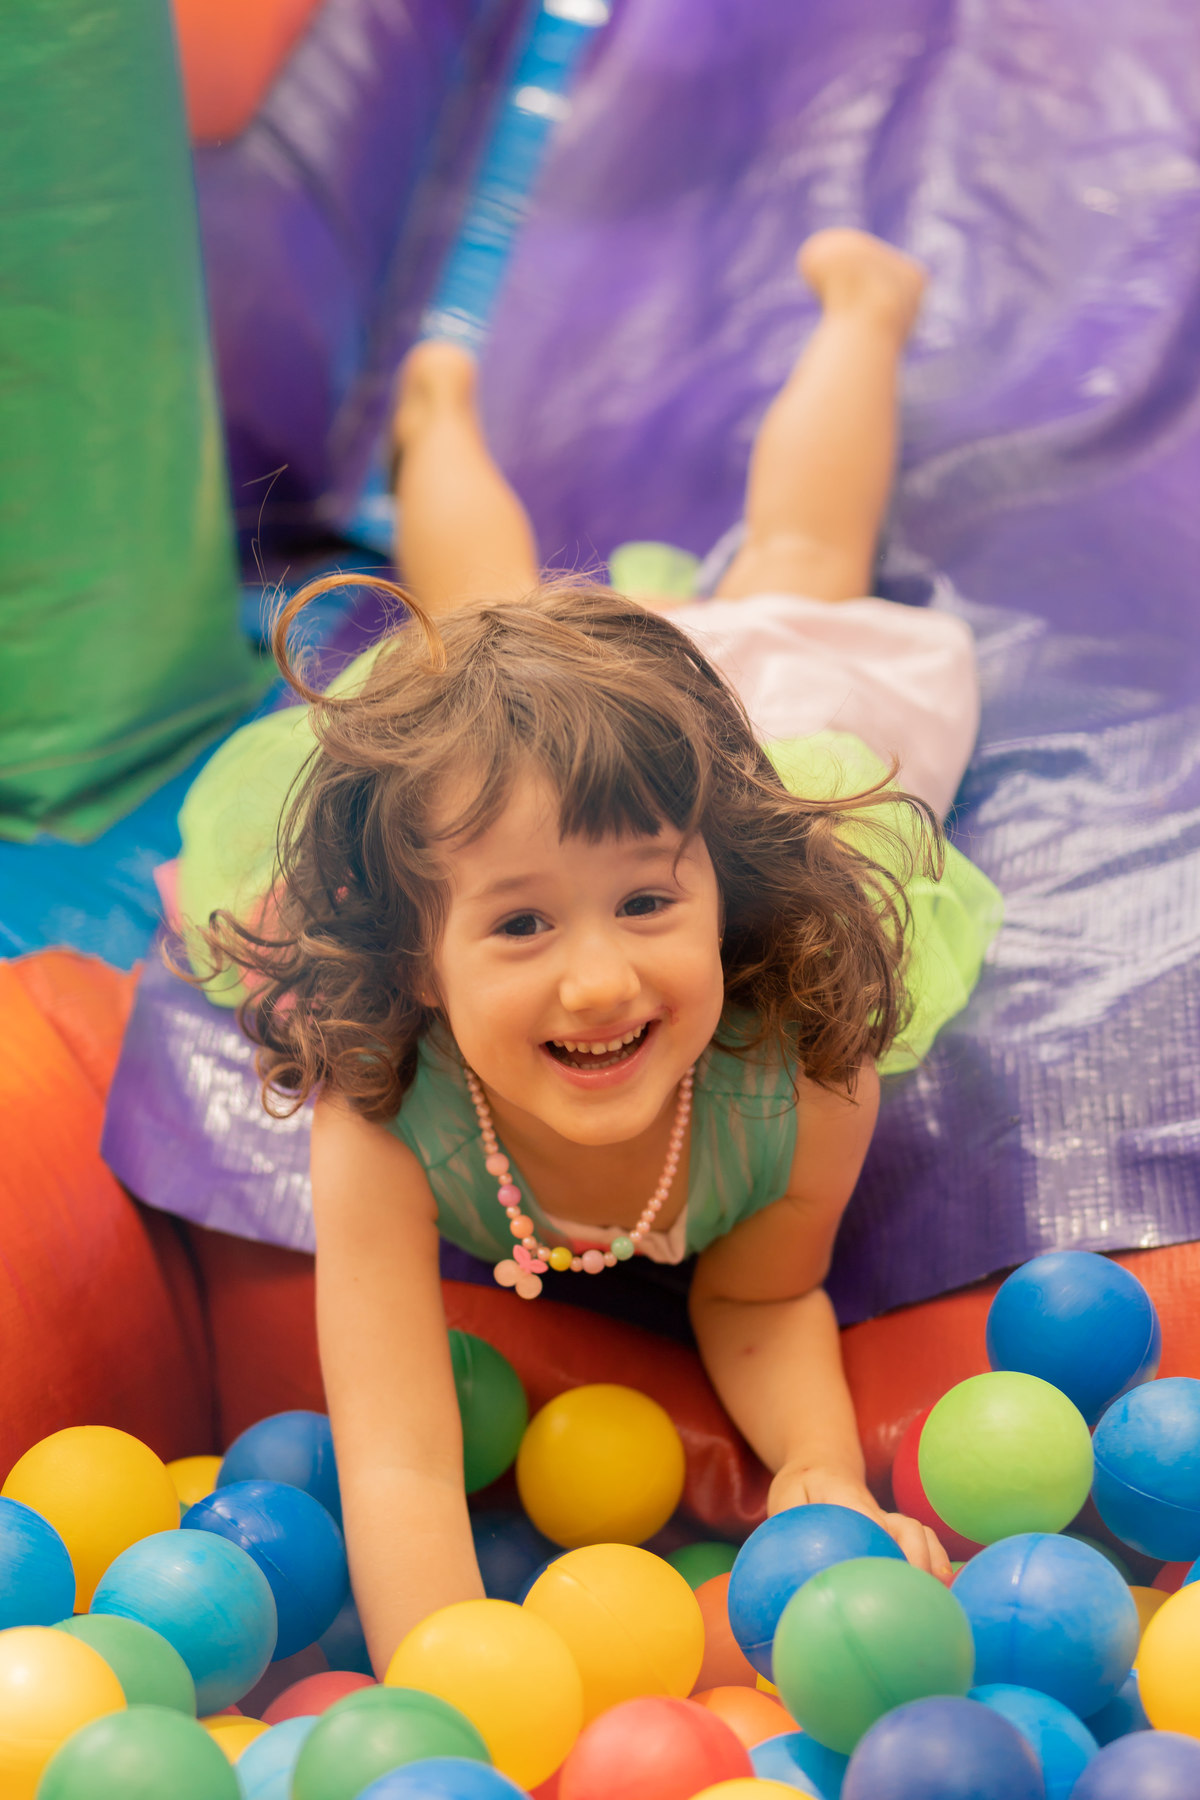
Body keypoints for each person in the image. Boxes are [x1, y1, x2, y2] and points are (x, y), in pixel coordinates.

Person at [186, 228, 1000, 1672]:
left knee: (797, 578)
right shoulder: (382, 1111)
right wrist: (449, 1698)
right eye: (517, 928)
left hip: (745, 728)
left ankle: (867, 310)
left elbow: (760, 1287)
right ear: (425, 963)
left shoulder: (799, 1055)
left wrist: (820, 1468)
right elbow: (395, 1453)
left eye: (647, 907)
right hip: (545, 766)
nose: (603, 980)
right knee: (475, 646)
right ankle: (435, 413)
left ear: (718, 892)